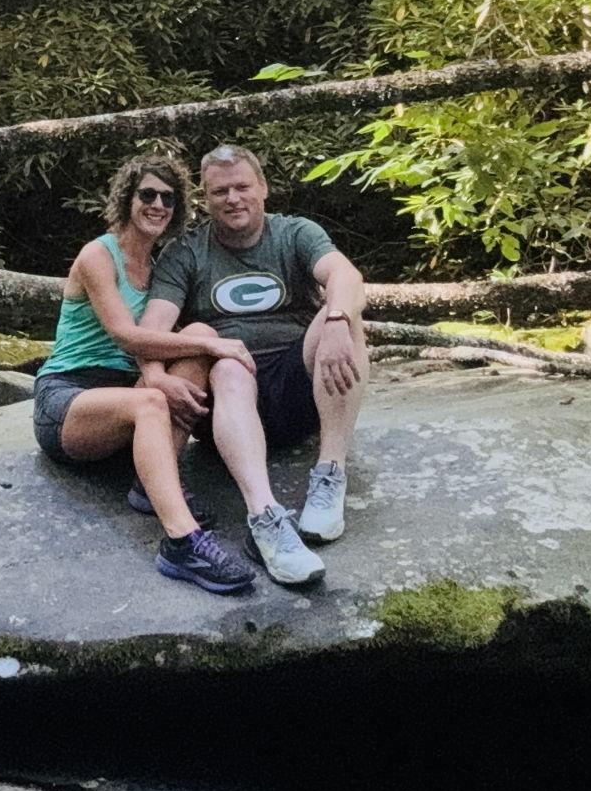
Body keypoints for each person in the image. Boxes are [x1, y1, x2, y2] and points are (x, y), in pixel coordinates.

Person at [137, 143, 367, 589]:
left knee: (344, 316)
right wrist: (154, 379)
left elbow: (347, 276)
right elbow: (153, 327)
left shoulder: (294, 233)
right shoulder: (186, 252)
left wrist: (338, 318)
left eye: (242, 186)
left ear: (262, 187)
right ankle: (264, 516)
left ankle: (330, 473)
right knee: (222, 356)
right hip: (225, 403)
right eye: (220, 191)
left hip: (296, 386)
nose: (233, 198)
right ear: (206, 198)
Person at [32, 152, 258, 595]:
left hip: (128, 401)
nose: (158, 205)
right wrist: (206, 348)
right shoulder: (98, 256)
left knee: (196, 330)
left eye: (168, 199)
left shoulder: (158, 268)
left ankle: (147, 484)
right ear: (128, 198)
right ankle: (181, 541)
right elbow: (126, 336)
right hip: (69, 399)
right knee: (169, 379)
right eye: (147, 195)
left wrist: (199, 345)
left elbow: (164, 344)